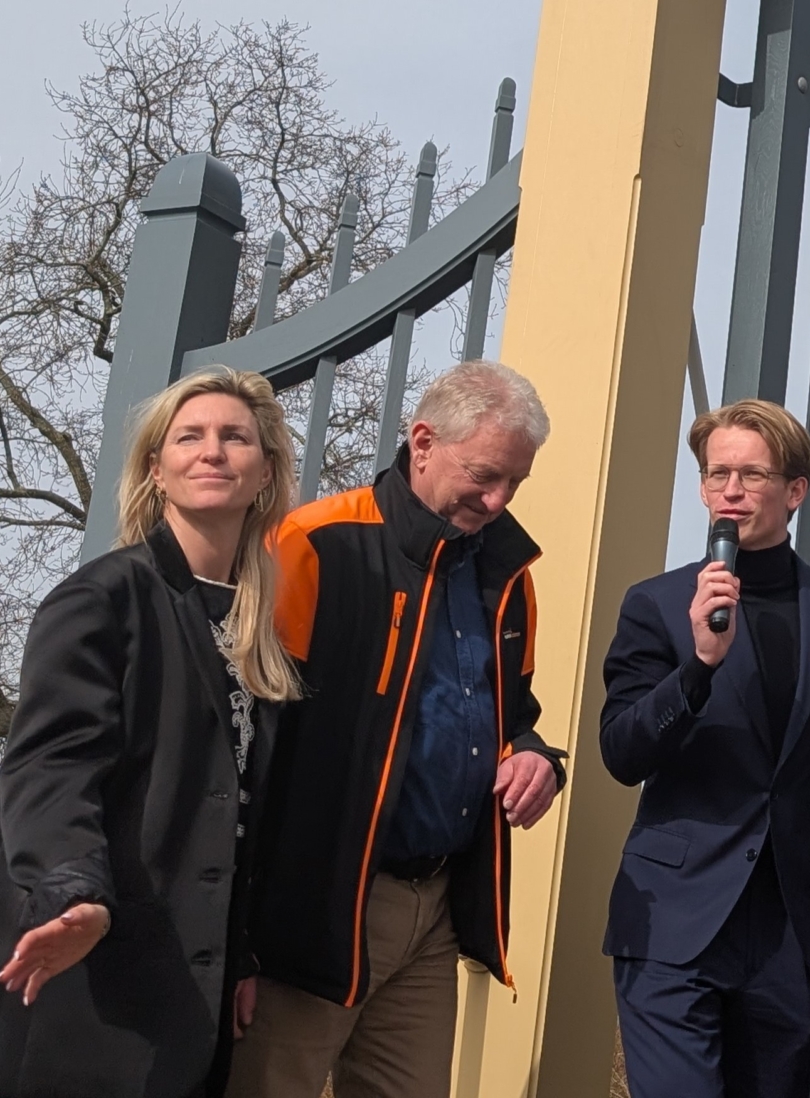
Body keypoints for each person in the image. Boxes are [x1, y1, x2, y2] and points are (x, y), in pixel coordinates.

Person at [229, 361, 567, 1098]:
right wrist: (241, 937)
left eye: (515, 483)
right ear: (422, 441)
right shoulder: (315, 543)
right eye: (484, 474)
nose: (498, 498)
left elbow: (515, 715)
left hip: (437, 906)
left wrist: (537, 756)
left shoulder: (510, 576)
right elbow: (254, 741)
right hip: (319, 902)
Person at [0, 369, 298, 1098]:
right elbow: (50, 766)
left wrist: (240, 957)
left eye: (235, 437)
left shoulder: (257, 641)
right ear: (157, 469)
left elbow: (238, 824)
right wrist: (73, 892)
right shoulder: (100, 600)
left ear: (264, 473)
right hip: (89, 991)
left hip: (188, 999)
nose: (212, 451)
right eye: (190, 437)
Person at [600, 398, 810, 1097]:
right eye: (717, 475)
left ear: (794, 490)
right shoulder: (656, 604)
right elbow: (621, 753)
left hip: (784, 928)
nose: (730, 491)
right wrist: (699, 667)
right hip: (673, 919)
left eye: (750, 475)